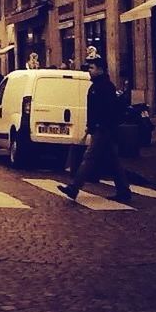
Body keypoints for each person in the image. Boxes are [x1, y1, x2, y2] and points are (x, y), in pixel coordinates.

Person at [58, 56, 131, 203]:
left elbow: (107, 110)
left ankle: (74, 187)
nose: (89, 71)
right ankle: (124, 190)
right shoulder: (96, 86)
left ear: (100, 70)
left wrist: (97, 125)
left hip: (103, 129)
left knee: (89, 158)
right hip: (101, 128)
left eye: (92, 68)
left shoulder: (105, 87)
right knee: (113, 160)